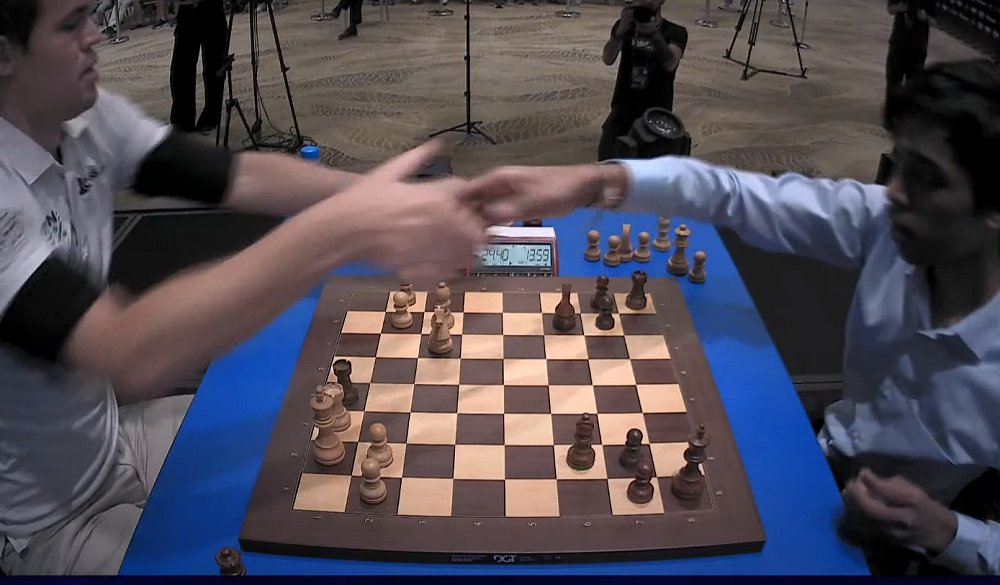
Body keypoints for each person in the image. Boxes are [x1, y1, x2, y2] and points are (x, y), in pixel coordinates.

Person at [0, 0, 487, 574]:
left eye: (89, 15)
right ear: (5, 54)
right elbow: (129, 353)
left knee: (315, 447)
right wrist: (342, 230)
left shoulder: (82, 117)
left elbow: (240, 176)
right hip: (48, 522)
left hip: (116, 442)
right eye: (69, 25)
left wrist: (379, 198)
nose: (95, 36)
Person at [464, 59, 1000, 575]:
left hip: (908, 537)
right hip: (817, 453)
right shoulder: (882, 223)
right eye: (899, 163)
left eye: (928, 178)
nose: (895, 192)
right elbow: (733, 195)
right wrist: (591, 182)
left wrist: (949, 533)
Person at [597, 0, 687, 161]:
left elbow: (670, 63)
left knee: (648, 170)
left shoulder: (675, 32)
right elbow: (607, 58)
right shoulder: (625, 26)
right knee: (607, 162)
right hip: (622, 110)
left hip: (655, 113)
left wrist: (653, 34)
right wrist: (619, 33)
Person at [169, 0, 226, 133]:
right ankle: (182, 120)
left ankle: (211, 117)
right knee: (181, 70)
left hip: (212, 8)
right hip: (186, 8)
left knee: (214, 67)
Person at [885, 0, 936, 109]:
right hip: (899, 44)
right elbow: (890, 9)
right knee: (893, 81)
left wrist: (925, 17)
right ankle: (892, 111)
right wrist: (900, 7)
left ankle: (906, 112)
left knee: (913, 84)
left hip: (918, 47)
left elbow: (934, 21)